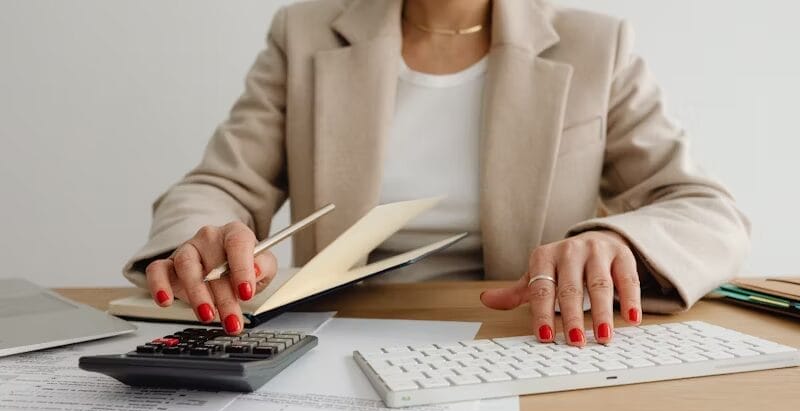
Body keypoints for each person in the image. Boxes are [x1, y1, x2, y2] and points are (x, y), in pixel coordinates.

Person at [123, 0, 750, 346]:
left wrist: (615, 241)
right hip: (334, 338)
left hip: (527, 339)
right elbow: (220, 185)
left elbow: (704, 208)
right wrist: (203, 238)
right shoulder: (305, 32)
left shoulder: (595, 43)